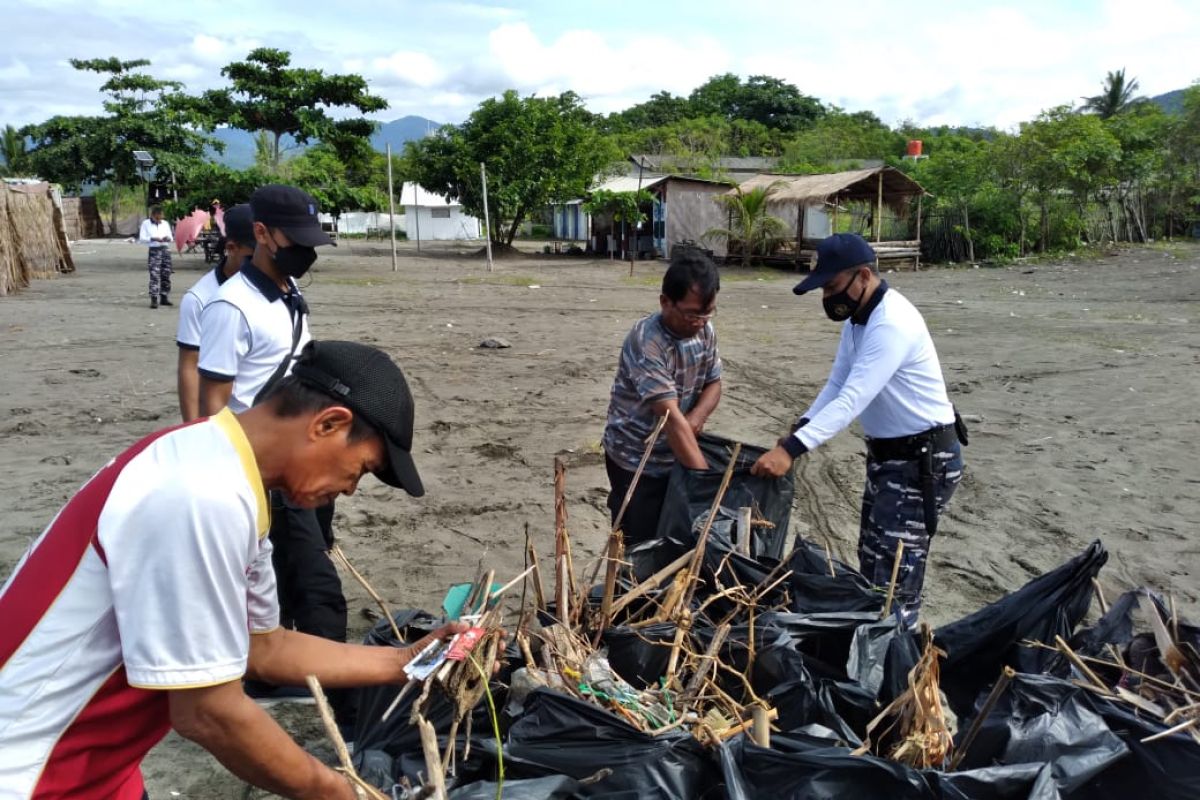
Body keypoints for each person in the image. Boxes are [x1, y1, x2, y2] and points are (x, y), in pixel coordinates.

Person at [0, 339, 460, 800]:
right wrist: (338, 792)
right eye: (360, 469)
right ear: (328, 424)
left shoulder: (219, 464)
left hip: (101, 766)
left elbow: (263, 646)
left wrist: (406, 661)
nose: (351, 490)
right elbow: (207, 712)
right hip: (30, 771)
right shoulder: (199, 495)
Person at [750, 233, 965, 625]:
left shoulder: (891, 323)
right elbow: (836, 384)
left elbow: (853, 398)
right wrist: (798, 430)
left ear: (863, 276)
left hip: (922, 461)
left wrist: (792, 450)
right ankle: (877, 650)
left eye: (832, 287)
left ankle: (897, 666)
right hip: (891, 458)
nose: (827, 298)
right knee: (873, 561)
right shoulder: (858, 320)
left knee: (894, 578)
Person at [196, 185, 352, 713]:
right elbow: (212, 404)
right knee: (315, 581)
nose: (305, 252)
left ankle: (281, 667)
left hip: (302, 455)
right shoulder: (230, 307)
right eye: (296, 240)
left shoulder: (288, 294)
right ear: (260, 234)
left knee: (297, 563)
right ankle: (330, 685)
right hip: (262, 467)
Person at [602, 248, 722, 546]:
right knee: (637, 543)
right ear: (665, 302)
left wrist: (696, 418)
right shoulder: (648, 341)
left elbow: (714, 384)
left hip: (678, 453)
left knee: (674, 537)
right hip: (635, 459)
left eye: (707, 313)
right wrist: (705, 489)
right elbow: (669, 418)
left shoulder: (705, 330)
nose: (700, 321)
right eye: (692, 313)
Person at [176, 203, 255, 422]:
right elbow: (189, 366)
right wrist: (193, 428)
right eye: (256, 253)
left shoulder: (283, 283)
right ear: (231, 248)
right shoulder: (200, 299)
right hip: (234, 418)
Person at [137, 205, 173, 309]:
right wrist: (153, 238)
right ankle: (154, 298)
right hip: (154, 250)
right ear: (152, 215)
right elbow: (142, 238)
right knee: (154, 275)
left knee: (166, 274)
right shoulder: (146, 224)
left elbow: (170, 237)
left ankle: (164, 296)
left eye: (160, 217)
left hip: (165, 249)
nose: (159, 219)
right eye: (157, 217)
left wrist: (167, 238)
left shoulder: (165, 223)